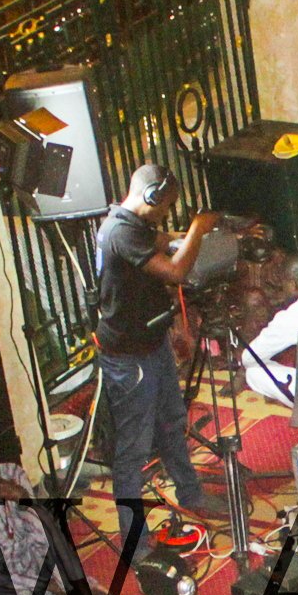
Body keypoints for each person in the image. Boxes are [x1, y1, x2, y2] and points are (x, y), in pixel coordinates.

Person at [92, 167, 221, 536]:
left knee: (171, 421)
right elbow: (176, 272)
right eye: (165, 205)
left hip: (151, 343)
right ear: (149, 196)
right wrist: (197, 229)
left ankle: (191, 493)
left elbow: (162, 240)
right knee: (132, 451)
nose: (166, 213)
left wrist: (183, 237)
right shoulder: (119, 233)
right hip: (129, 359)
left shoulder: (131, 223)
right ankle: (136, 538)